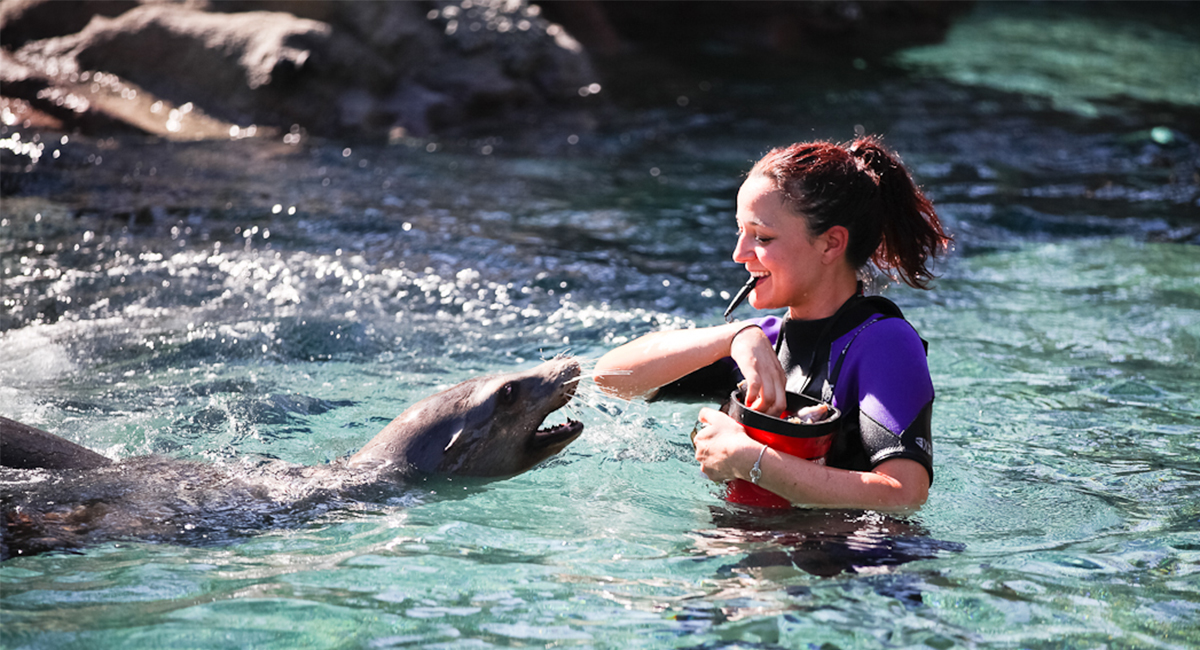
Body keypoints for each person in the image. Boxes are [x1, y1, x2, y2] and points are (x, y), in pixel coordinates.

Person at [594, 135, 951, 511]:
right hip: (749, 554)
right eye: (740, 231)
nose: (738, 254)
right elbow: (610, 379)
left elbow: (904, 494)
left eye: (762, 237)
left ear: (831, 244)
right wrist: (733, 335)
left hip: (848, 565)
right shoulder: (759, 345)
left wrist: (748, 460)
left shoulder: (883, 342)